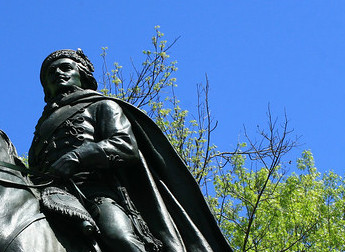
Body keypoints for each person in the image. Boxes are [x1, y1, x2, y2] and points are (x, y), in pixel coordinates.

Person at [28, 49, 232, 252]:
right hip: (50, 196)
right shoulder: (41, 131)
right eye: (51, 72)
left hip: (94, 194)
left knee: (118, 237)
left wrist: (77, 156)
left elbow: (124, 145)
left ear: (81, 74)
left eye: (65, 68)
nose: (58, 73)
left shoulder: (101, 106)